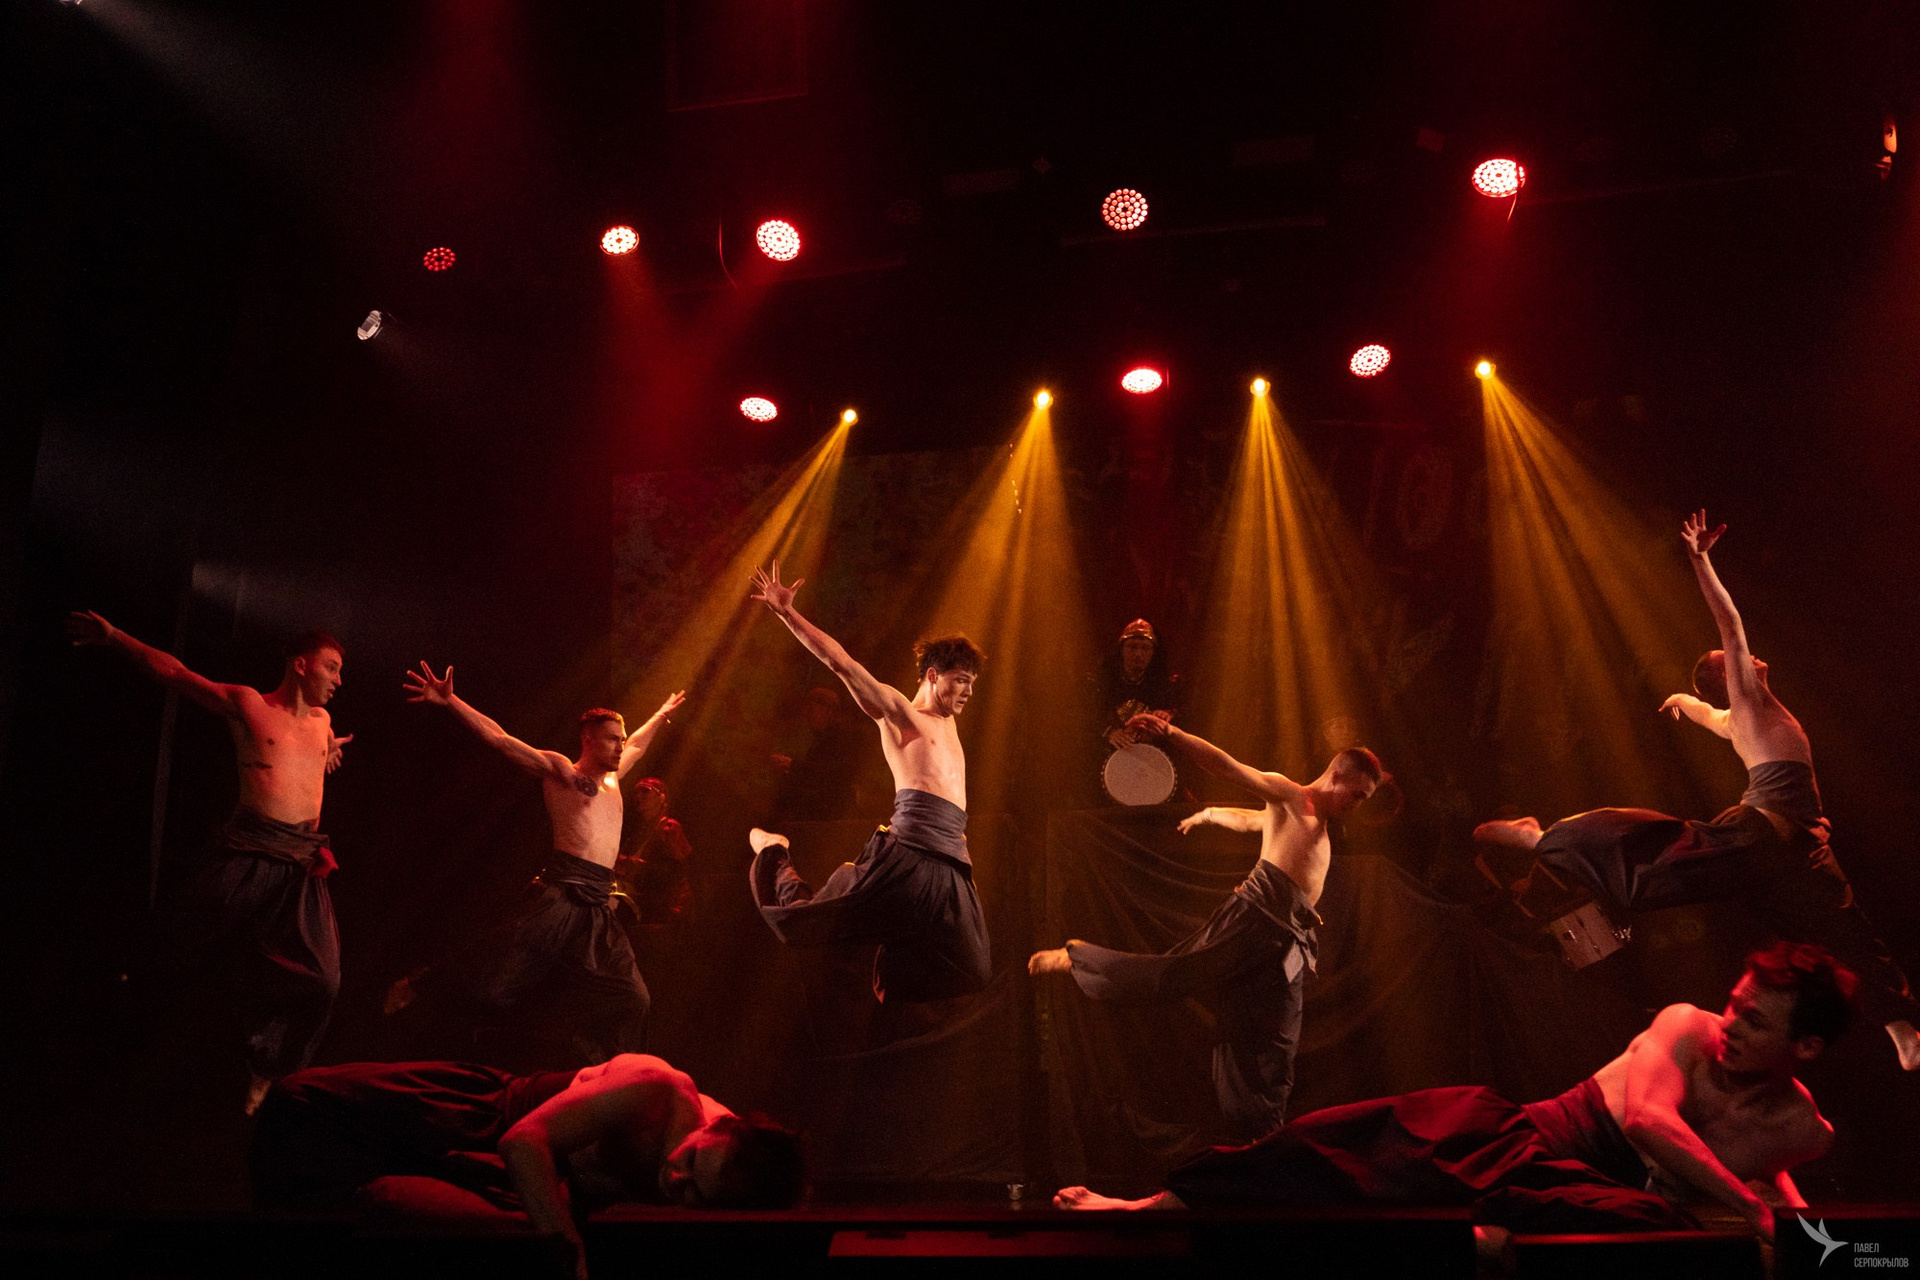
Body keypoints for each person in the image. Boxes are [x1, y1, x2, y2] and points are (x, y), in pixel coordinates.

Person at [1476, 511, 1919, 1070]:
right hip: (1764, 831)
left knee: (1849, 934)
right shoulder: (1750, 703)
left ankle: (1902, 1027)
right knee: (1658, 863)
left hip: (1804, 845)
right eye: (1735, 663)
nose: (1750, 657)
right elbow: (1730, 624)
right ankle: (1544, 839)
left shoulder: (1736, 720)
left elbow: (1704, 709)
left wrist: (1682, 701)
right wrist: (1700, 559)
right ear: (1731, 677)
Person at [1054, 941, 1855, 1245]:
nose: (1730, 1024)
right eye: (1736, 1004)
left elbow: (1778, 1195)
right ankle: (1150, 1206)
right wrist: (1750, 1210)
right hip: (1514, 1136)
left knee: (1653, 1226)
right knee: (1325, 1143)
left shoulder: (1801, 1128)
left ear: (1807, 1048)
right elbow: (1647, 1119)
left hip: (1575, 1194)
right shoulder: (1686, 1024)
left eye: (1754, 1022)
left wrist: (1811, 1239)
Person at [1031, 717, 1382, 1139]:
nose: (1357, 805)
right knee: (1174, 974)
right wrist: (1172, 735)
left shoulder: (1314, 822)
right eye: (1357, 795)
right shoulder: (1291, 795)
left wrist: (1212, 814)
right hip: (1255, 918)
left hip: (1287, 942)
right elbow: (1227, 766)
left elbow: (1251, 821)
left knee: (1274, 1041)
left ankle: (1260, 1140)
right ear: (1337, 775)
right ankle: (1078, 959)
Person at [68, 610, 351, 1115]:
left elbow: (309, 756)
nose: (338, 680)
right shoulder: (249, 704)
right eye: (331, 668)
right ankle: (107, 1037)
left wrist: (325, 754)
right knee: (177, 947)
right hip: (249, 850)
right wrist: (115, 636)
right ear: (301, 665)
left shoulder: (323, 723)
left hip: (301, 863)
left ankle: (267, 1068)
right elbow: (177, 675)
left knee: (323, 980)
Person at [252, 1053, 804, 1279]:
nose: (676, 1181)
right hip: (482, 1119)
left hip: (500, 1181)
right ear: (714, 1124)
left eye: (695, 1193)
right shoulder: (657, 1089)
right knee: (301, 1110)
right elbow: (523, 1141)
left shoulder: (728, 1179)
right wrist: (567, 1254)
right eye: (690, 1161)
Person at [391, 663, 684, 1060]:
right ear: (588, 739)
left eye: (621, 739)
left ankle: (610, 1067)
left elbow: (638, 744)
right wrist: (451, 701)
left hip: (598, 901)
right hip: (561, 892)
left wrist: (660, 715)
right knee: (493, 978)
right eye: (612, 739)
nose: (620, 747)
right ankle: (419, 985)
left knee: (633, 997)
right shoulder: (562, 771)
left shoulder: (614, 780)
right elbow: (500, 738)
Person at [745, 560, 991, 1002]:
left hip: (952, 860)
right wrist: (787, 613)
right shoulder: (901, 713)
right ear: (932, 676)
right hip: (910, 851)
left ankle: (895, 963)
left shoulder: (950, 721)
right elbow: (841, 662)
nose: (969, 692)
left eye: (972, 682)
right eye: (961, 681)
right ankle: (773, 851)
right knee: (805, 924)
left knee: (972, 970)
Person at [1091, 618, 1184, 751]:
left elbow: (1181, 716)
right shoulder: (1102, 682)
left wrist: (1167, 715)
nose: (1138, 654)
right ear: (1121, 650)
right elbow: (1086, 717)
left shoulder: (1165, 686)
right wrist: (1109, 732)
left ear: (1153, 652)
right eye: (1132, 647)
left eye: (1145, 648)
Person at [614, 777, 693, 930]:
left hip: (663, 907)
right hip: (637, 901)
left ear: (661, 797)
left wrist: (636, 865)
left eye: (645, 791)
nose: (638, 796)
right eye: (636, 792)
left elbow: (677, 871)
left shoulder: (669, 828)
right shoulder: (637, 832)